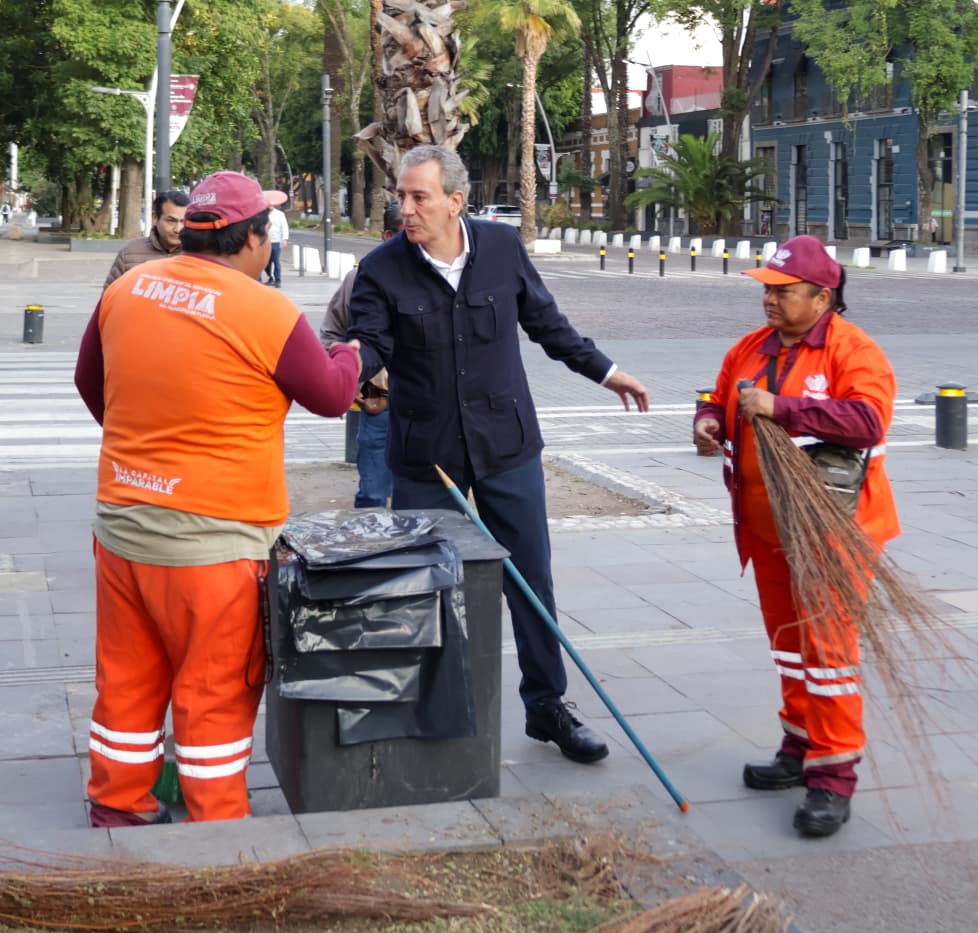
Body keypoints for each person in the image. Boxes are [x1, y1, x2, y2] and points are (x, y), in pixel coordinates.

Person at [74, 171, 361, 826]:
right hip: (216, 547)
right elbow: (331, 395)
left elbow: (91, 380)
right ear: (255, 239)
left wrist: (144, 447)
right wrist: (350, 351)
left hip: (122, 530)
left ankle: (118, 808)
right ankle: (215, 830)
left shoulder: (126, 290)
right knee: (213, 696)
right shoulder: (265, 310)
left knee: (126, 680)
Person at [347, 145, 649, 765]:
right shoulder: (380, 269)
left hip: (506, 446)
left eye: (418, 197)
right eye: (400, 196)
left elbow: (548, 325)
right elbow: (368, 344)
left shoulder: (502, 250)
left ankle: (547, 706)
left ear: (455, 202)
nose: (404, 208)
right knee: (425, 587)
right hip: (426, 457)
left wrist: (607, 372)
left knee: (530, 580)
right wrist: (338, 371)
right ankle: (430, 712)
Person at [693, 235, 899, 838]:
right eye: (767, 289)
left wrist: (782, 409)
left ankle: (833, 778)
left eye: (783, 292)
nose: (770, 300)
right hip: (764, 530)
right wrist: (707, 421)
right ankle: (799, 744)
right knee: (789, 646)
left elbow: (866, 420)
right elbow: (716, 393)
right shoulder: (750, 348)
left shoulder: (853, 351)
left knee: (828, 654)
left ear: (823, 296)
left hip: (833, 535)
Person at [319, 201, 402, 507]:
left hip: (431, 407)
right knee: (373, 496)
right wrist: (354, 385)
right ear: (388, 236)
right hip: (379, 402)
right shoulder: (359, 279)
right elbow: (330, 334)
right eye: (405, 234)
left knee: (425, 500)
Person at [102, 190, 190, 288]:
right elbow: (109, 297)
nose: (178, 229)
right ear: (155, 218)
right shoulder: (129, 253)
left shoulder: (198, 255)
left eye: (184, 221)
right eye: (171, 221)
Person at [265, 203, 290, 287]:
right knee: (266, 262)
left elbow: (284, 227)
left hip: (276, 240)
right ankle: (270, 277)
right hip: (265, 241)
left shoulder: (279, 214)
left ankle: (278, 280)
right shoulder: (263, 214)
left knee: (276, 261)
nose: (269, 206)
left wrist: (285, 239)